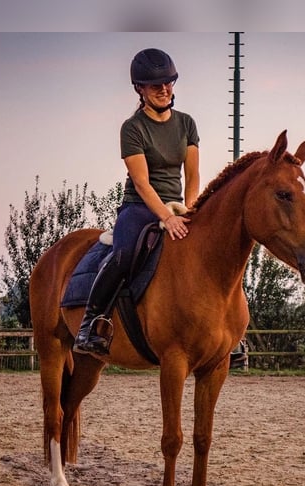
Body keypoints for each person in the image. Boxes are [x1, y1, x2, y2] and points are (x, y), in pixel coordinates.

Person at [73, 48, 200, 355]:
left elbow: (193, 175)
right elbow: (142, 183)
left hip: (179, 207)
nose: (164, 89)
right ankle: (91, 322)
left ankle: (231, 334)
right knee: (124, 253)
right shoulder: (133, 128)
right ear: (139, 89)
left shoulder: (186, 123)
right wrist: (166, 218)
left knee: (217, 248)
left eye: (168, 82)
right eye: (155, 84)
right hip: (140, 207)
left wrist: (191, 209)